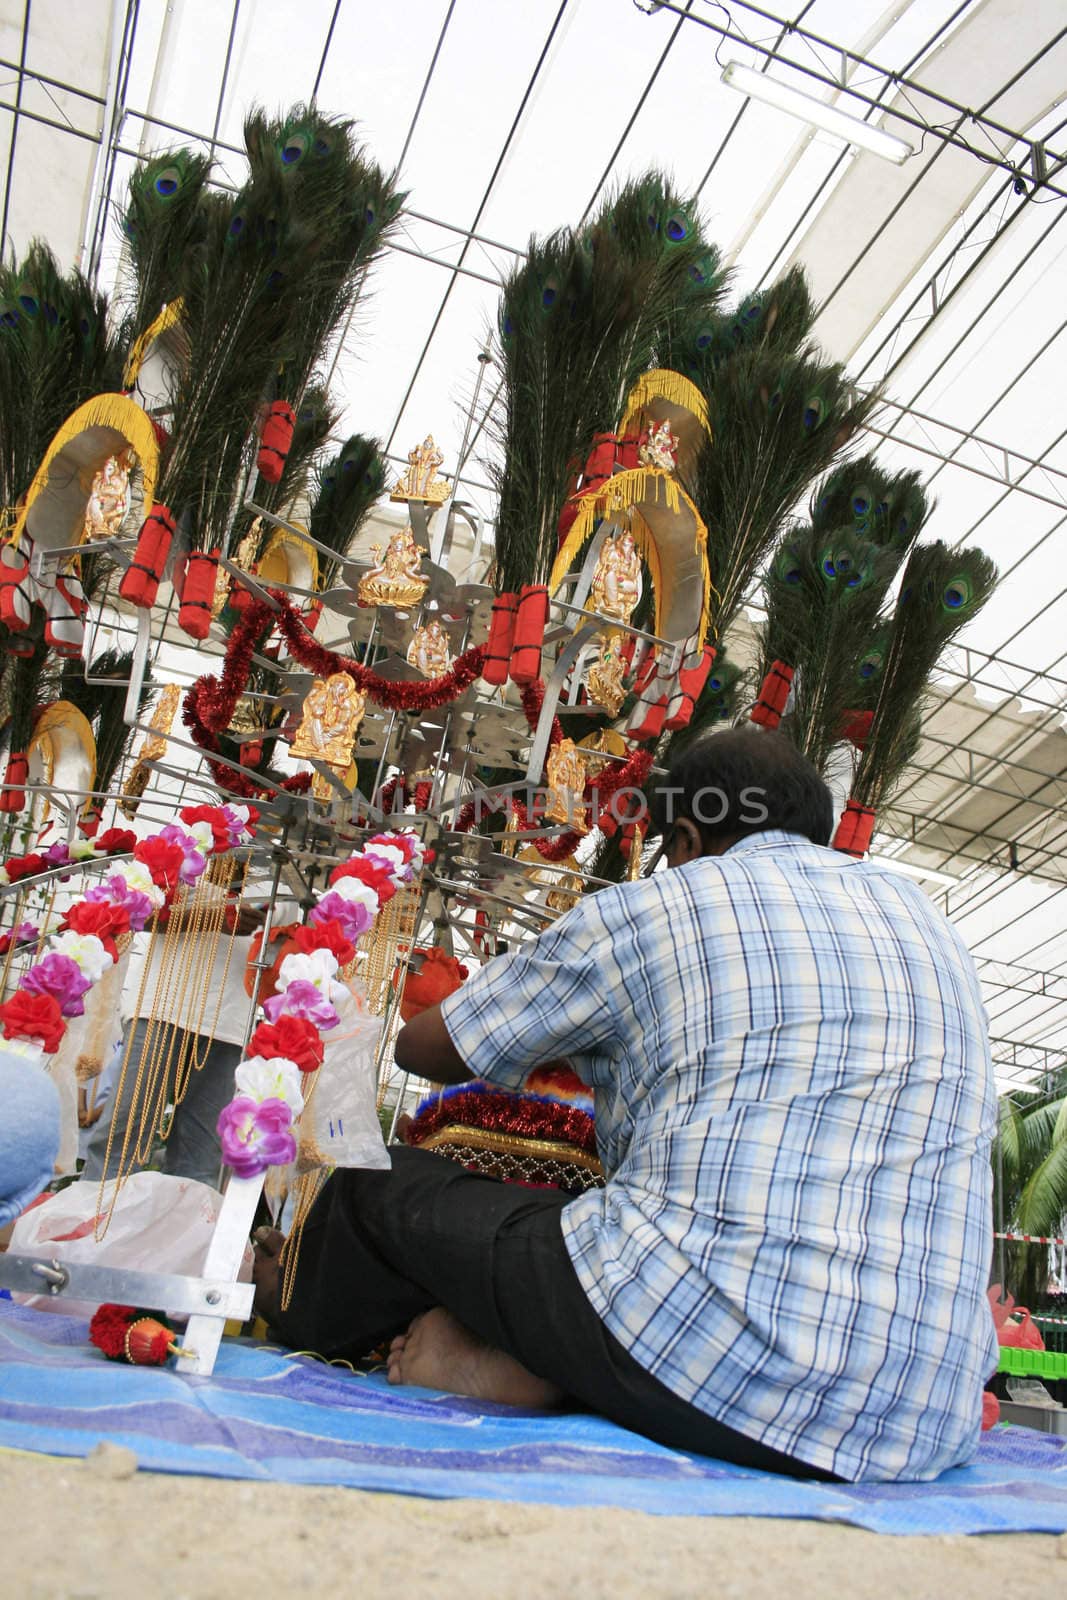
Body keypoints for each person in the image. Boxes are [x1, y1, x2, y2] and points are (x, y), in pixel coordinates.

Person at [255, 730, 998, 1483]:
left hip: (708, 1355)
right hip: (925, 1413)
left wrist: (561, 1029)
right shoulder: (926, 920)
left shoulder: (662, 902)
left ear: (683, 837)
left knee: (381, 1186)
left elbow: (426, 1050)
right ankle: (536, 1361)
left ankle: (292, 1305)